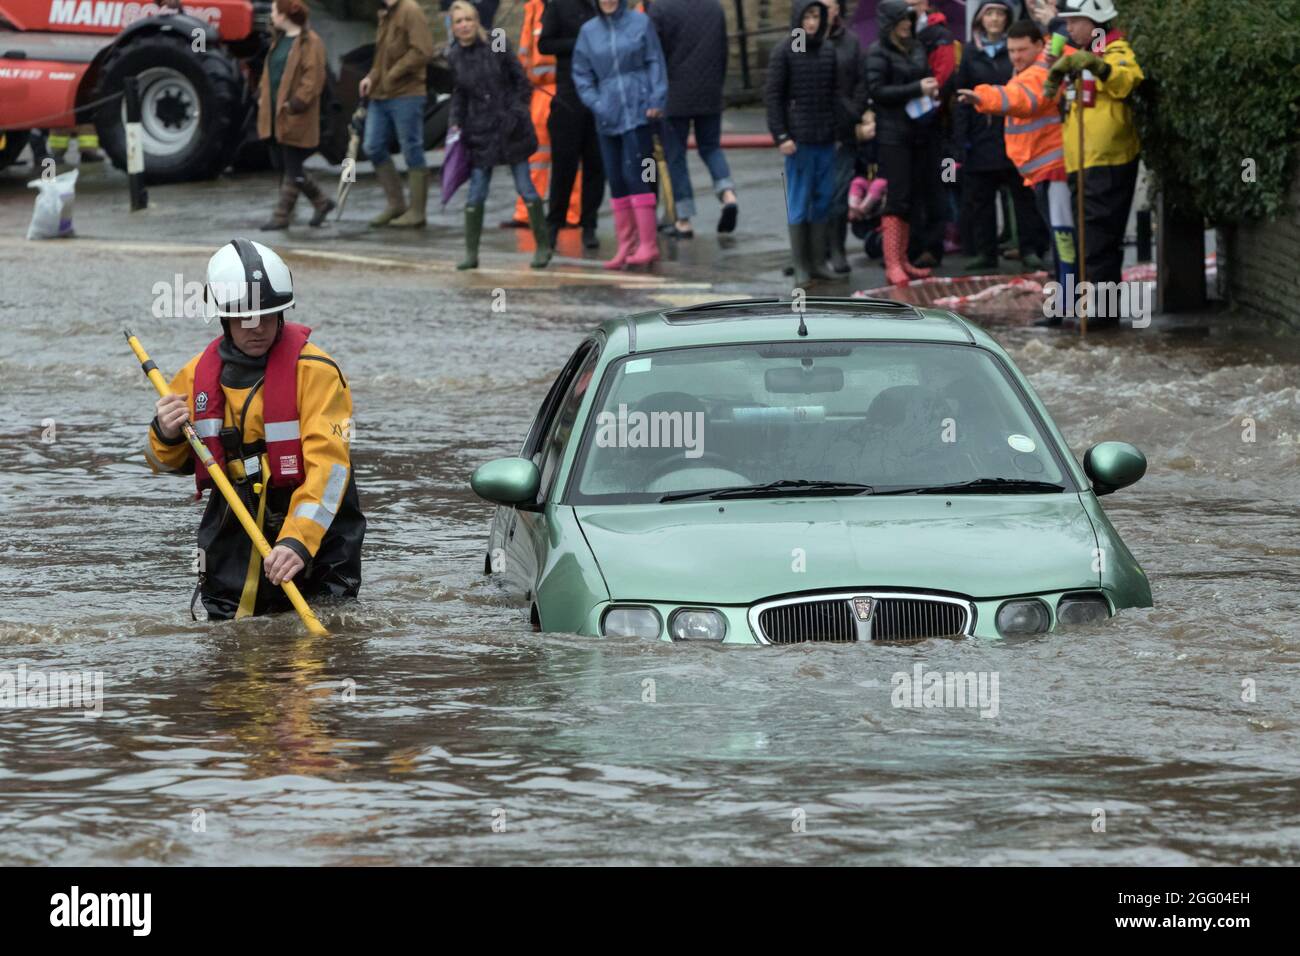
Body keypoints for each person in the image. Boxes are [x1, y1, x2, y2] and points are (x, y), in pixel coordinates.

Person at [145, 239, 365, 621]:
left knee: (326, 642)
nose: (256, 327)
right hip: (233, 533)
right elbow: (163, 464)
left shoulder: (316, 372)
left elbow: (330, 469)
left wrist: (298, 542)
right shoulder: (196, 374)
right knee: (227, 648)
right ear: (223, 318)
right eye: (244, 316)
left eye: (267, 316)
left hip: (318, 536)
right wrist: (165, 433)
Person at [958, 18, 1076, 318]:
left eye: (1022, 50)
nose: (1015, 57)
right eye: (1011, 51)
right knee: (1058, 236)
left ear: (1038, 46)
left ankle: (1067, 303)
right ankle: (1065, 300)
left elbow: (1023, 100)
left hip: (1053, 168)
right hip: (1042, 170)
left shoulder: (1040, 70)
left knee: (1063, 237)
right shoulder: (1033, 66)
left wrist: (982, 97)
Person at [1046, 0, 1144, 320]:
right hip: (1083, 163)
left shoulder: (1115, 51)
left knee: (1098, 244)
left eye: (1075, 21)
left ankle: (1101, 319)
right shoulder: (1081, 56)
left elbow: (1128, 80)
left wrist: (1098, 67)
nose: (1069, 28)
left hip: (1106, 161)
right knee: (1089, 243)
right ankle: (1100, 313)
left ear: (1096, 21)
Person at [447, 0, 551, 270]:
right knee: (477, 192)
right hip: (479, 132)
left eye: (468, 19)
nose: (464, 25)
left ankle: (543, 246)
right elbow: (459, 94)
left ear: (477, 21)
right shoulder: (455, 56)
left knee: (525, 186)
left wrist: (516, 113)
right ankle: (471, 253)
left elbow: (521, 81)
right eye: (458, 21)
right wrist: (456, 122)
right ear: (453, 27)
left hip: (511, 128)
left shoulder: (496, 41)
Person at [952, 1, 1047, 272]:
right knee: (981, 199)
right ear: (981, 19)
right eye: (989, 14)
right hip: (980, 136)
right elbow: (960, 96)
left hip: (1013, 135)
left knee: (1022, 196)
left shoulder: (1016, 52)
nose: (994, 20)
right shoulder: (970, 52)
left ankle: (1029, 248)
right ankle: (986, 252)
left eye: (999, 14)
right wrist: (960, 140)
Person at [573, 0, 668, 270]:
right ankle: (626, 244)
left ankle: (648, 243)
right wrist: (597, 103)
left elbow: (654, 61)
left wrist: (656, 98)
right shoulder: (588, 31)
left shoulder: (641, 22)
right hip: (607, 113)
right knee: (615, 178)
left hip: (639, 110)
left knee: (636, 174)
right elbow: (581, 73)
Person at [866, 0, 942, 286]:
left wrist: (929, 90)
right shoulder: (877, 51)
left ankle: (904, 259)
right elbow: (877, 90)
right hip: (892, 134)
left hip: (918, 130)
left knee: (911, 196)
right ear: (889, 23)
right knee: (896, 198)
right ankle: (892, 263)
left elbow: (919, 76)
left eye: (909, 19)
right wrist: (916, 88)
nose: (908, 24)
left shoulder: (916, 46)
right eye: (902, 20)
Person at [648, 0, 738, 240]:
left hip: (674, 93)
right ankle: (727, 194)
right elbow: (723, 50)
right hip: (709, 91)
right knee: (711, 147)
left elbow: (654, 55)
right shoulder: (714, 7)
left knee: (675, 154)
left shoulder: (660, 9)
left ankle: (684, 219)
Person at [765, 1, 839, 287]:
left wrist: (842, 127)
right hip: (799, 141)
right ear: (798, 18)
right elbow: (773, 97)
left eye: (817, 16)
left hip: (825, 138)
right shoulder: (784, 50)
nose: (812, 22)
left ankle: (818, 262)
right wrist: (781, 135)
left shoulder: (827, 50)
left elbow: (835, 93)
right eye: (808, 16)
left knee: (823, 199)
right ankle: (800, 266)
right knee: (798, 201)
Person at [256, 0, 335, 231]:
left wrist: (295, 105)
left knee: (292, 166)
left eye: (273, 10)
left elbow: (313, 80)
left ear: (283, 15)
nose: (271, 14)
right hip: (274, 114)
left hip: (295, 115)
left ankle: (281, 215)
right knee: (288, 166)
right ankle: (322, 202)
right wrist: (261, 94)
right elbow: (270, 73)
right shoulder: (279, 40)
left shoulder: (310, 42)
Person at [509, 0, 583, 235]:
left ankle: (572, 213)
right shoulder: (531, 9)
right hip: (537, 92)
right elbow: (523, 51)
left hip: (565, 87)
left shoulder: (568, 7)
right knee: (534, 154)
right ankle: (528, 212)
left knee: (570, 154)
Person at [360, 0, 434, 228]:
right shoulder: (385, 14)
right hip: (381, 94)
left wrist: (393, 73)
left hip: (407, 93)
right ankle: (396, 204)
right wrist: (371, 77)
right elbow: (380, 58)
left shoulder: (410, 10)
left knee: (411, 147)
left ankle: (417, 211)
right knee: (372, 146)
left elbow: (422, 50)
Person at [540, 0, 606, 251]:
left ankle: (589, 225)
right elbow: (545, 44)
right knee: (564, 165)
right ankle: (553, 224)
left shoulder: (604, 6)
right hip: (569, 95)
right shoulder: (559, 6)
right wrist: (580, 42)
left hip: (601, 93)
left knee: (596, 164)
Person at [825, 0, 867, 273]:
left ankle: (837, 249)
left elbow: (862, 82)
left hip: (842, 132)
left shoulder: (850, 42)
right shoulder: (798, 40)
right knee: (806, 196)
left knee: (838, 192)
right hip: (809, 131)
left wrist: (853, 112)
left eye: (828, 5)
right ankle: (810, 254)